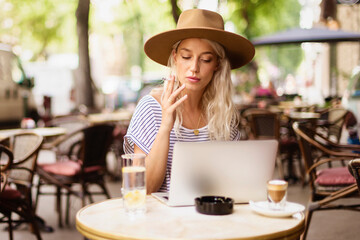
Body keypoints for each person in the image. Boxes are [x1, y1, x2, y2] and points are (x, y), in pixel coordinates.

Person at [123, 9, 255, 193]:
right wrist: (165, 127)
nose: (194, 68)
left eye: (206, 59)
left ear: (217, 64)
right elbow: (141, 189)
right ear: (175, 57)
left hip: (211, 216)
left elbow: (229, 182)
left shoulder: (223, 114)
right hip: (161, 219)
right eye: (186, 57)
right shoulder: (150, 108)